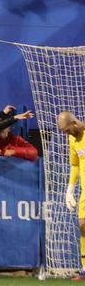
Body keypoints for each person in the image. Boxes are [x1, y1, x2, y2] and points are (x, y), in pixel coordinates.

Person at [61, 111, 85, 280]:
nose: (66, 134)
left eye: (67, 130)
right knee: (83, 226)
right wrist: (70, 188)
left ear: (74, 124)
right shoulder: (72, 139)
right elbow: (75, 165)